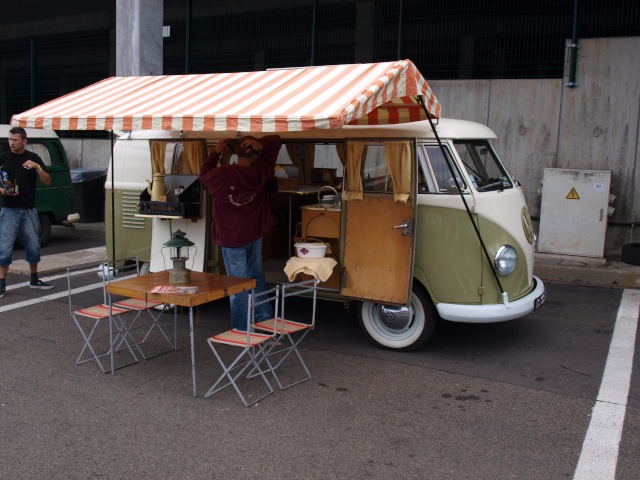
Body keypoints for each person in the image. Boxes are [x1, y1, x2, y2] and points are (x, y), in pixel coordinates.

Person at [199, 135, 282, 330]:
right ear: (256, 156)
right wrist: (259, 145)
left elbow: (203, 174)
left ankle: (242, 330)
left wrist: (216, 152)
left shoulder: (221, 174)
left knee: (238, 286)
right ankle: (265, 320)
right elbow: (277, 141)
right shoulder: (263, 172)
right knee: (256, 277)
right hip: (254, 234)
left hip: (231, 238)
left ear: (235, 154)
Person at [0, 127, 54, 299]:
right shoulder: (3, 158)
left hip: (30, 210)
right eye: (9, 139)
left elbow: (47, 181)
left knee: (33, 245)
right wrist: (3, 191)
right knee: (5, 247)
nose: (11, 143)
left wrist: (37, 167)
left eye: (15, 140)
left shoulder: (33, 158)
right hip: (9, 209)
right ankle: (1, 284)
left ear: (24, 141)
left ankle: (34, 279)